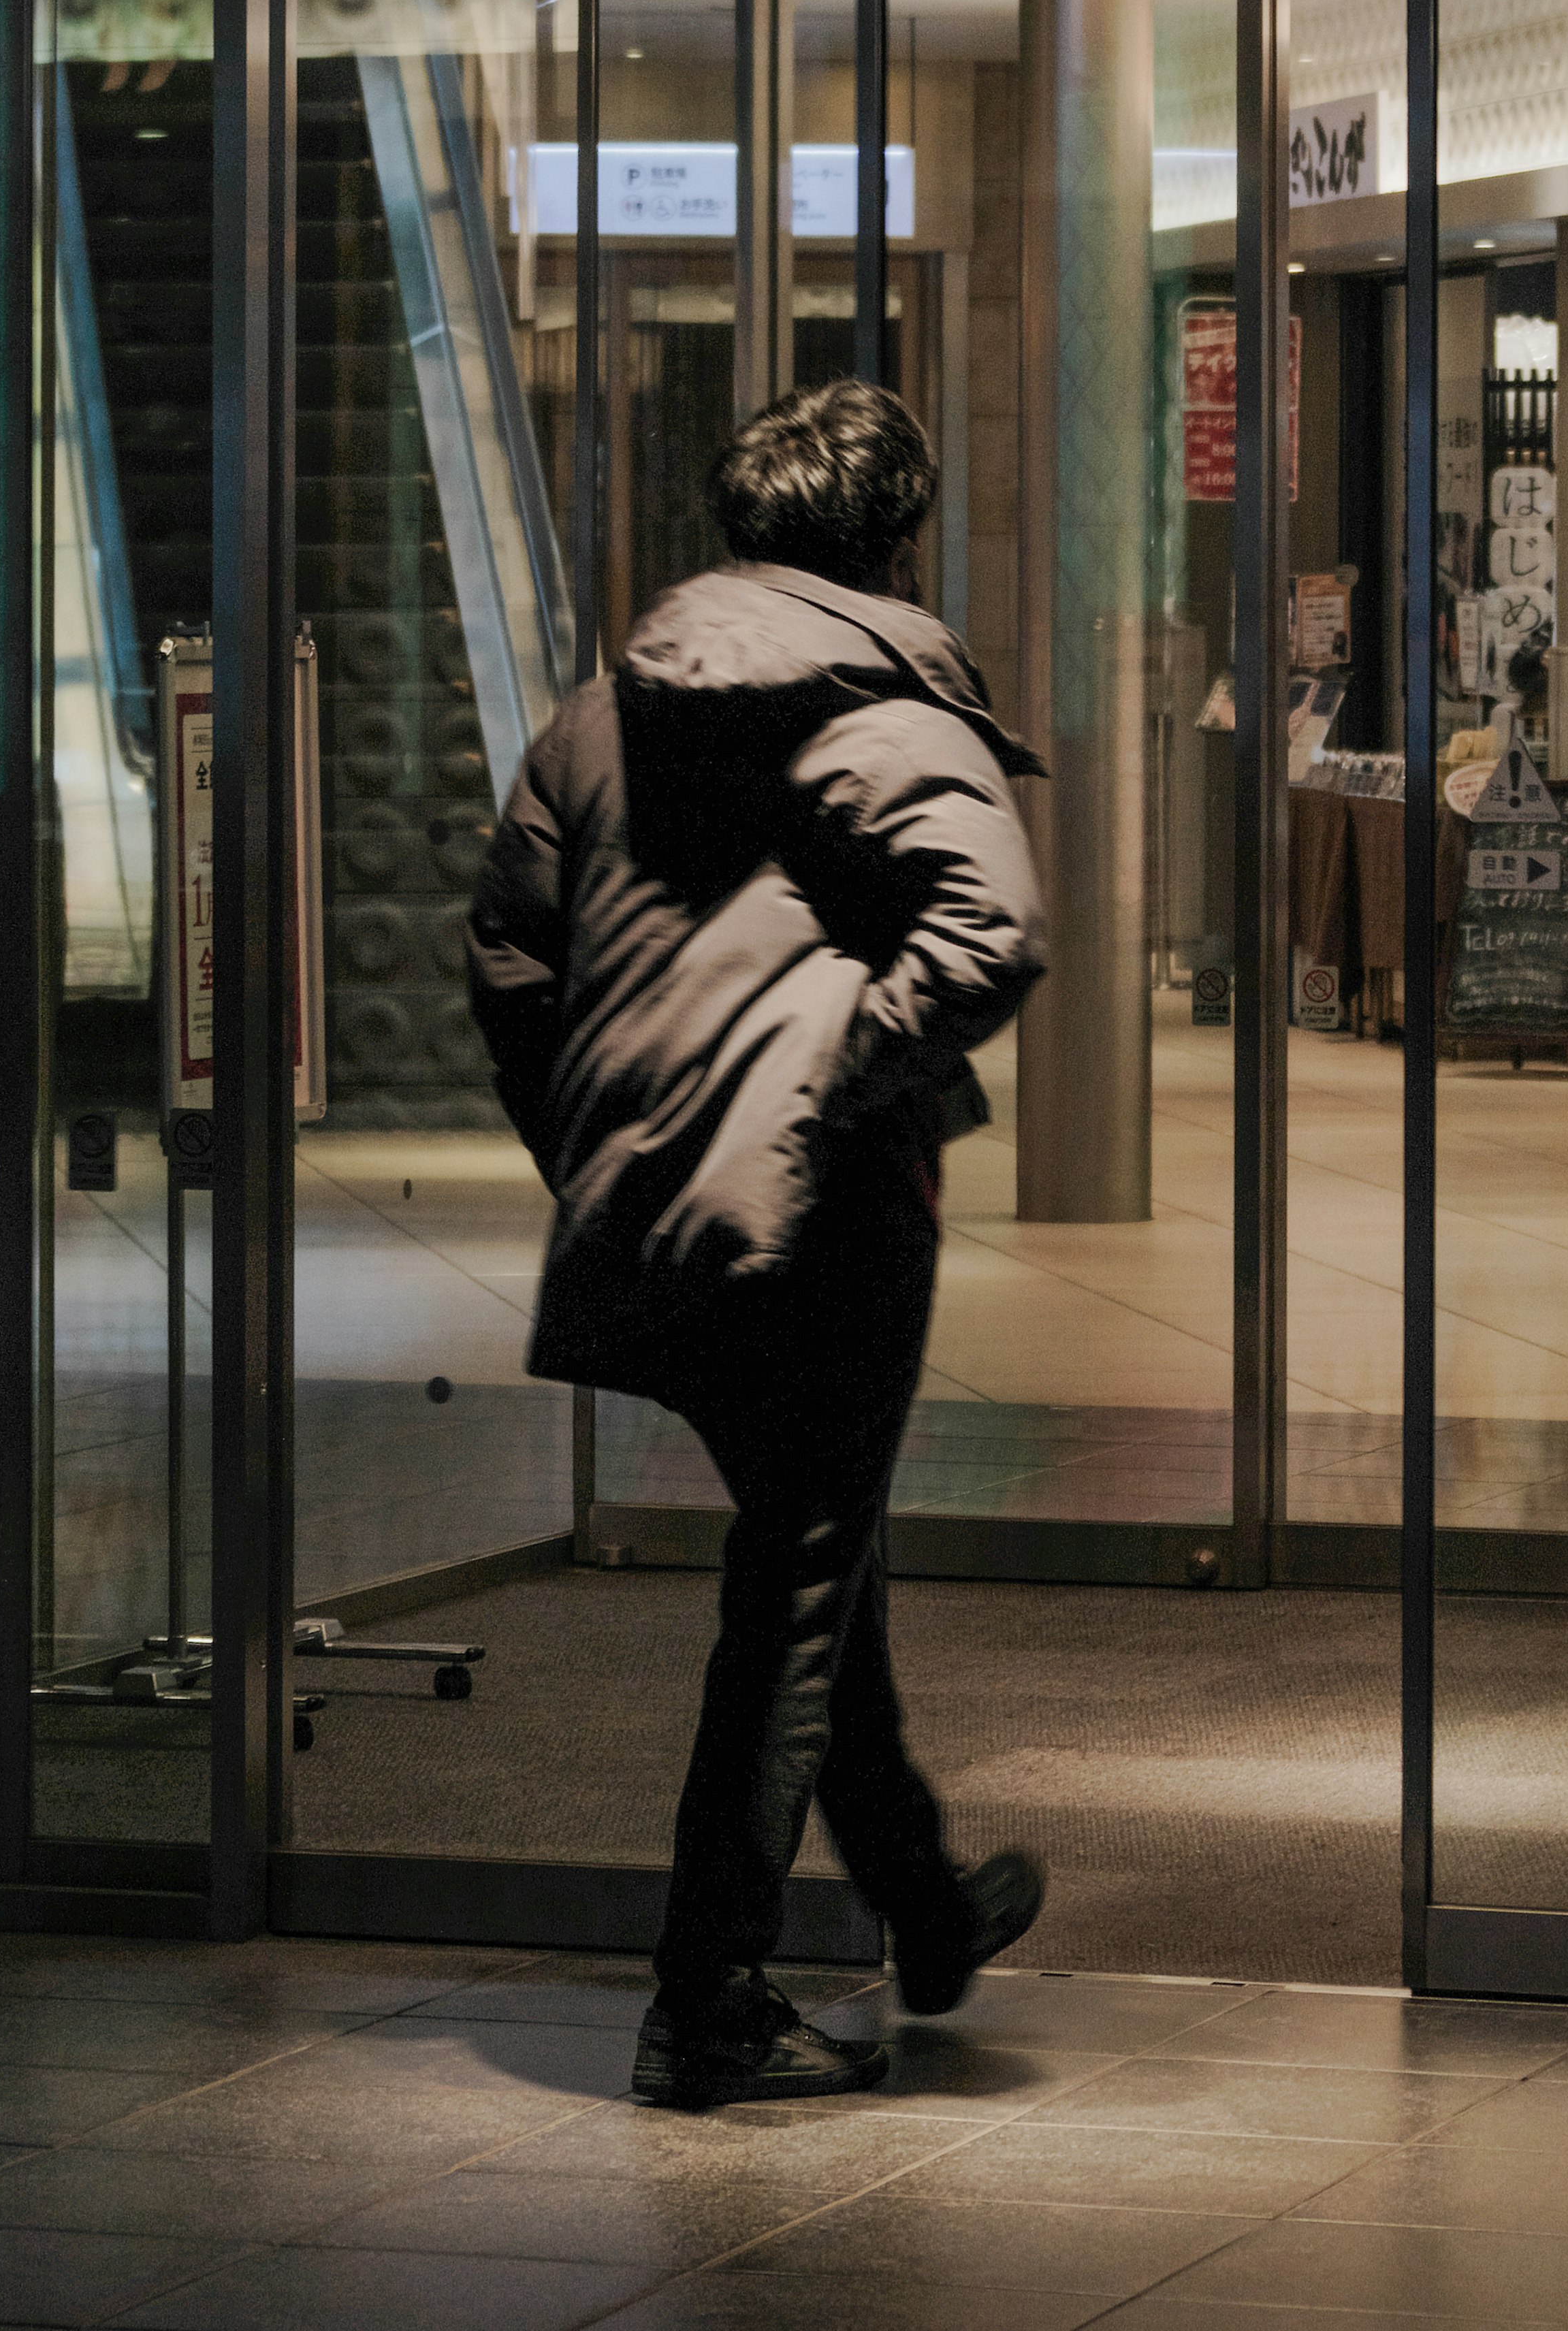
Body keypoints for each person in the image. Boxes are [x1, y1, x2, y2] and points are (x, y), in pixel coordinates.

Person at [466, 379, 1049, 2108]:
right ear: (889, 537)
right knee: (796, 1586)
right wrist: (820, 1086)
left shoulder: (598, 715)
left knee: (812, 1550)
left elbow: (508, 961)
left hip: (662, 1219)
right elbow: (992, 931)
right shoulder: (875, 700)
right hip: (831, 1218)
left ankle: (925, 1908)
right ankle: (708, 1999)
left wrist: (607, 1144)